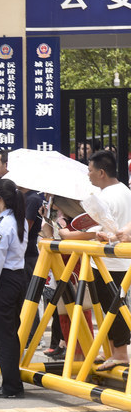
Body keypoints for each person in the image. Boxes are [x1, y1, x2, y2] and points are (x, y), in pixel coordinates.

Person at [73, 151, 131, 370]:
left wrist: (68, 234)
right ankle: (112, 351)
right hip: (118, 261)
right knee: (113, 307)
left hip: (110, 262)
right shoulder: (124, 190)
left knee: (114, 308)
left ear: (101, 172)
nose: (88, 174)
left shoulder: (105, 197)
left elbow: (95, 229)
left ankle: (120, 354)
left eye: (90, 170)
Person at [0, 179, 28, 398]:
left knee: (4, 336)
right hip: (18, 277)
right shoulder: (18, 219)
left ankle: (11, 386)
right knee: (11, 333)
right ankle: (13, 381)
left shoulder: (3, 225)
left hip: (4, 280)